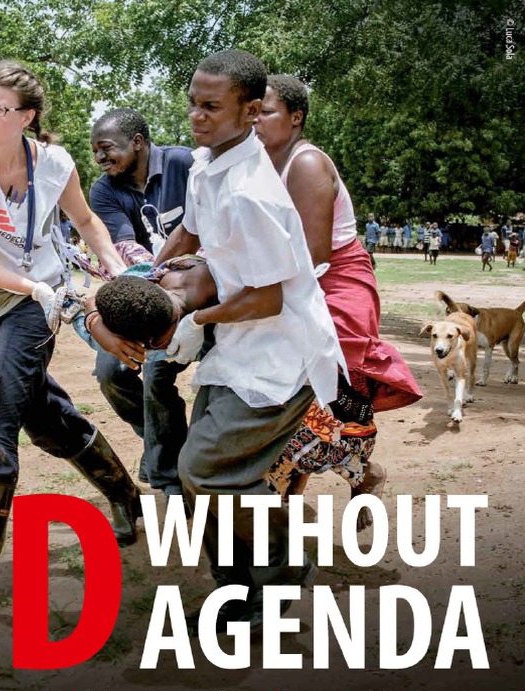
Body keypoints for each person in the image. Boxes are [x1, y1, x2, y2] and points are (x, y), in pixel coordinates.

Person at [0, 59, 138, 612]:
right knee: (42, 415)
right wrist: (30, 285)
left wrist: (113, 267)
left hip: (35, 305)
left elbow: (88, 222)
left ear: (25, 116)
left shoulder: (53, 164)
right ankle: (124, 494)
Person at [155, 49, 346, 633]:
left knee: (204, 469)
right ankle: (236, 594)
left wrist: (195, 319)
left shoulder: (253, 192)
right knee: (209, 479)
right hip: (238, 347)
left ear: (252, 109)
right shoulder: (208, 166)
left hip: (278, 357)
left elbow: (267, 298)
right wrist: (147, 276)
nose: (197, 116)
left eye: (211, 106)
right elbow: (202, 241)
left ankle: (286, 569)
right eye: (193, 103)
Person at [254, 73, 421, 523]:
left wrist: (244, 295)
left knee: (327, 389)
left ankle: (350, 477)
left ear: (296, 117)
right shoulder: (255, 166)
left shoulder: (306, 163)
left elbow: (313, 255)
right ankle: (313, 483)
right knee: (284, 394)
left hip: (335, 284)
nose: (256, 122)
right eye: (251, 111)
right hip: (292, 283)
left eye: (266, 112)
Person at [89, 107, 194, 496]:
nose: (100, 159)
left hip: (199, 290)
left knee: (155, 370)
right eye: (95, 152)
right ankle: (161, 445)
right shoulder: (104, 190)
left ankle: (169, 479)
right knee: (110, 373)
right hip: (143, 290)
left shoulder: (185, 163)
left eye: (106, 149)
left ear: (137, 142)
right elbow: (125, 249)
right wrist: (150, 280)